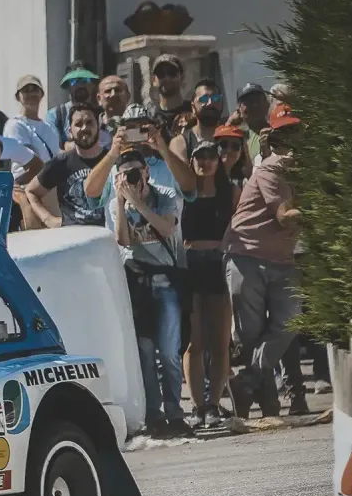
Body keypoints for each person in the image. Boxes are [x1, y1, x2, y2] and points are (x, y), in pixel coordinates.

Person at [223, 104, 304, 419]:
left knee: (290, 321)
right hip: (247, 255)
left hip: (281, 259)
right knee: (252, 336)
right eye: (286, 133)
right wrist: (325, 210)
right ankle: (268, 403)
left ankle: (246, 382)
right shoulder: (272, 169)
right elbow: (284, 217)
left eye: (295, 131)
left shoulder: (300, 170)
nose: (292, 140)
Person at [103, 149, 188, 437]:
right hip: (136, 281)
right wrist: (121, 201)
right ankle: (155, 414)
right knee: (146, 354)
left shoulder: (164, 194)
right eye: (125, 174)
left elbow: (167, 228)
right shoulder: (116, 204)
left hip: (165, 280)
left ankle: (175, 412)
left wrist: (138, 203)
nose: (131, 178)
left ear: (147, 172)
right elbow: (122, 240)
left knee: (170, 352)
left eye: (135, 171)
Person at [182, 140, 238, 429]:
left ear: (219, 160)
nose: (205, 162)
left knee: (219, 342)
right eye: (199, 157)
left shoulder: (230, 192)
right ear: (191, 161)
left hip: (219, 264)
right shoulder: (184, 193)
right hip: (190, 265)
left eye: (210, 157)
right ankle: (196, 406)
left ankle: (213, 403)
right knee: (194, 342)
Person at [83, 104, 197, 206]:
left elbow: (190, 187)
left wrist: (163, 149)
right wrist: (113, 152)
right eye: (131, 129)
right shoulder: (111, 171)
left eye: (142, 129)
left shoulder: (169, 168)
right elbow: (90, 192)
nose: (137, 135)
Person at [27, 104, 108, 227]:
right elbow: (31, 191)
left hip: (106, 234)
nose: (84, 128)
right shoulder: (61, 163)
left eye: (89, 122)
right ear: (70, 132)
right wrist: (48, 219)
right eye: (78, 124)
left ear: (98, 127)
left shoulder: (111, 159)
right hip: (71, 234)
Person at [5, 75, 61, 163]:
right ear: (18, 97)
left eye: (35, 90)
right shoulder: (15, 125)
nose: (31, 94)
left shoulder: (50, 127)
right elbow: (28, 160)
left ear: (41, 94)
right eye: (26, 91)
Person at [170, 77, 225, 161]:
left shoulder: (233, 139)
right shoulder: (180, 143)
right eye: (204, 99)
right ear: (193, 107)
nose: (210, 103)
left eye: (215, 98)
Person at [47, 64, 100, 148]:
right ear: (68, 86)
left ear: (93, 85)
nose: (81, 85)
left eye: (85, 80)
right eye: (74, 81)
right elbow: (53, 149)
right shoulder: (55, 115)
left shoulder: (100, 114)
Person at [144, 54, 189, 138]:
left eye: (172, 73)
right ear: (153, 80)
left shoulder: (193, 112)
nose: (167, 78)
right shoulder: (148, 117)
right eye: (161, 74)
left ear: (182, 77)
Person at [232, 82, 271, 162]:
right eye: (248, 102)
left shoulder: (277, 132)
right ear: (239, 109)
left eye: (258, 100)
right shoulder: (237, 138)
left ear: (267, 104)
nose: (254, 105)